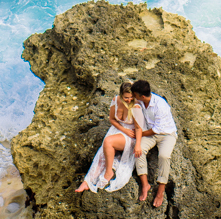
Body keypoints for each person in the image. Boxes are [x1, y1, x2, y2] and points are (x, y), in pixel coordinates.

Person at [75, 83, 147, 193]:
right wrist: (123, 130)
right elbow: (112, 119)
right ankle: (87, 182)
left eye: (131, 97)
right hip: (119, 129)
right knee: (101, 153)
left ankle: (109, 172)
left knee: (108, 142)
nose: (129, 100)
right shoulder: (116, 100)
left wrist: (137, 145)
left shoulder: (136, 107)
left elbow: (138, 128)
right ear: (121, 95)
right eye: (126, 97)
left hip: (131, 136)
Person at [130, 79, 178, 208]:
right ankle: (145, 184)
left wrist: (138, 135)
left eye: (135, 95)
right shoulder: (141, 99)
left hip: (167, 134)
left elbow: (156, 129)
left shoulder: (160, 105)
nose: (134, 97)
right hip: (150, 133)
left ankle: (160, 191)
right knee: (138, 150)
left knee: (164, 156)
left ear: (143, 96)